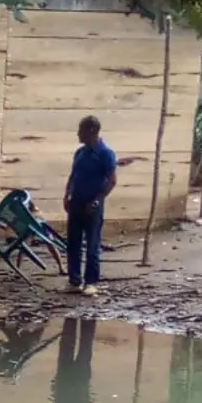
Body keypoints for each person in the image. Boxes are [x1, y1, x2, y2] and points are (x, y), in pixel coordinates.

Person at [62, 115, 117, 295]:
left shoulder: (105, 153)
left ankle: (91, 282)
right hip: (76, 202)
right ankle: (74, 280)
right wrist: (67, 194)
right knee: (73, 243)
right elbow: (73, 175)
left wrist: (97, 199)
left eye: (81, 130)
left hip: (92, 204)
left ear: (91, 131)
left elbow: (112, 180)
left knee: (92, 244)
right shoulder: (80, 152)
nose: (78, 134)